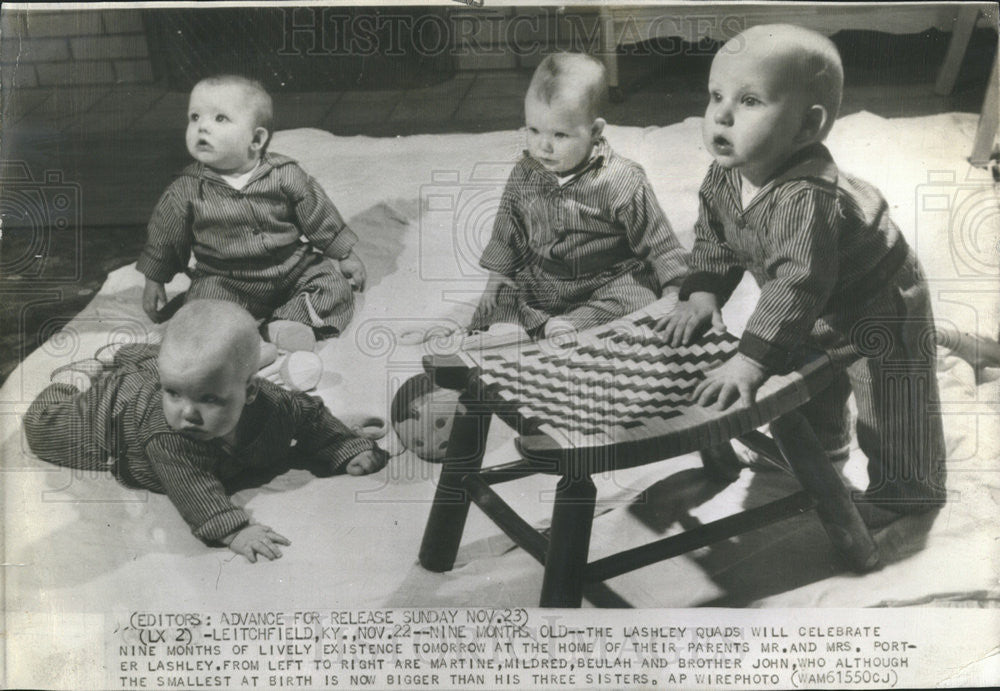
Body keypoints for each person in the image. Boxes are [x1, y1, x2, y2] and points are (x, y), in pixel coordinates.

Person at [659, 24, 947, 517]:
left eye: (750, 101)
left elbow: (798, 281)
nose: (721, 115)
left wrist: (752, 359)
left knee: (890, 400)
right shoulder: (726, 173)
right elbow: (714, 237)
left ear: (806, 127)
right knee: (810, 384)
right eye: (716, 96)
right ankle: (825, 450)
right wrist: (704, 290)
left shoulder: (807, 197)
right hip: (810, 308)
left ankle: (909, 489)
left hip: (878, 302)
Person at [24, 300, 387, 562]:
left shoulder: (274, 405)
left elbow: (310, 415)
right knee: (41, 428)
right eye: (175, 394)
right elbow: (195, 491)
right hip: (116, 415)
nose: (188, 414)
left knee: (174, 370)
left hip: (163, 377)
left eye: (210, 399)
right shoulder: (169, 437)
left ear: (251, 391)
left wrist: (345, 446)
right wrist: (235, 530)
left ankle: (134, 356)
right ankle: (88, 374)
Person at [137, 74, 366, 353]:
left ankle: (285, 325)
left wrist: (344, 254)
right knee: (203, 310)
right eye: (195, 117)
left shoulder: (285, 175)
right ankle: (239, 338)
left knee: (333, 286)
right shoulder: (185, 190)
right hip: (225, 279)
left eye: (220, 118)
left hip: (291, 269)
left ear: (256, 139)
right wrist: (154, 278)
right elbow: (165, 239)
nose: (202, 128)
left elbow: (319, 215)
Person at [469, 52, 687, 342]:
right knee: (506, 293)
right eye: (533, 130)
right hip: (546, 277)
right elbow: (507, 229)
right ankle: (506, 329)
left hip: (606, 278)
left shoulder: (621, 179)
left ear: (594, 131)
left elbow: (658, 242)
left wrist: (673, 286)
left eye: (560, 135)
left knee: (639, 297)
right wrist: (497, 275)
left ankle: (567, 325)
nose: (543, 146)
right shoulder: (525, 173)